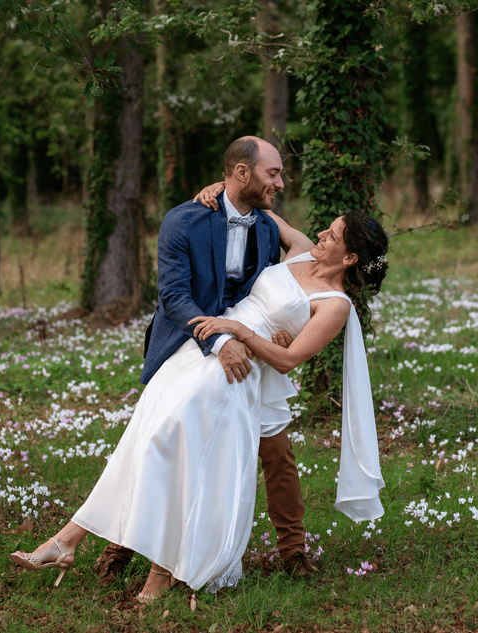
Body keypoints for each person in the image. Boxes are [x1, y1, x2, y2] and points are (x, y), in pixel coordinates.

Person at [10, 205, 389, 600]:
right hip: (206, 346)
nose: (322, 235)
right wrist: (210, 193)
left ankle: (166, 563)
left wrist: (240, 331)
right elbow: (250, 202)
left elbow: (290, 359)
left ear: (349, 258)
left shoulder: (335, 304)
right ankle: (78, 542)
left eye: (333, 235)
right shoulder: (302, 249)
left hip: (237, 367)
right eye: (327, 229)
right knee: (148, 438)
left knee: (210, 451)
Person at [97, 137, 318, 582]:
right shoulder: (185, 219)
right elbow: (175, 297)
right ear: (242, 172)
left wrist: (270, 334)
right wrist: (218, 341)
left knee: (277, 451)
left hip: (250, 350)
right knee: (161, 439)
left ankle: (293, 551)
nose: (281, 182)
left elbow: (269, 287)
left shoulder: (267, 228)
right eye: (273, 173)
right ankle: (121, 545)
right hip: (193, 344)